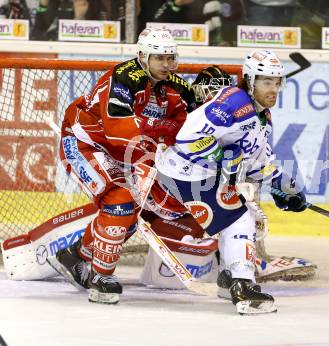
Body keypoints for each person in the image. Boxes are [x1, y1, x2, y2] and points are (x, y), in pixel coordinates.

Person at [155, 49, 308, 314]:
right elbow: (187, 137)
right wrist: (221, 155)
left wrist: (282, 186)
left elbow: (258, 161)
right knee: (240, 219)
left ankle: (228, 279)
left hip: (201, 174)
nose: (273, 89)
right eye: (266, 82)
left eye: (276, 82)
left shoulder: (262, 116)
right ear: (250, 81)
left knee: (248, 216)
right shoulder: (233, 102)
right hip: (183, 170)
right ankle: (243, 286)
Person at [54, 28, 189, 304]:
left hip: (126, 151)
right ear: (142, 56)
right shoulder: (124, 77)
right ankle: (101, 278)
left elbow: (189, 126)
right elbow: (117, 129)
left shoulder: (174, 86)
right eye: (159, 58)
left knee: (130, 217)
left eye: (170, 58)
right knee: (121, 201)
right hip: (85, 143)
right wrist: (157, 140)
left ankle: (76, 255)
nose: (166, 64)